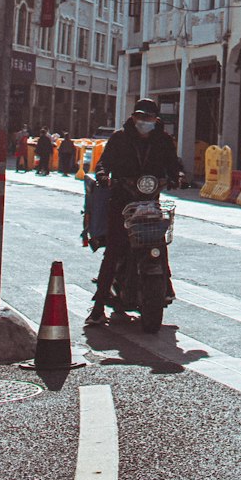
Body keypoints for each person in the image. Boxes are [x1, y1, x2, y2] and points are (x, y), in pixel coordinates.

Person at [85, 99, 183, 327]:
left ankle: (165, 289)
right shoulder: (120, 138)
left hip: (150, 203)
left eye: (148, 118)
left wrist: (178, 176)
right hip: (122, 201)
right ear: (133, 117)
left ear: (156, 120)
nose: (144, 122)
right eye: (140, 117)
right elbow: (103, 163)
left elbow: (174, 164)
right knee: (114, 250)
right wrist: (103, 176)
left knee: (159, 246)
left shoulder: (163, 140)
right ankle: (98, 307)